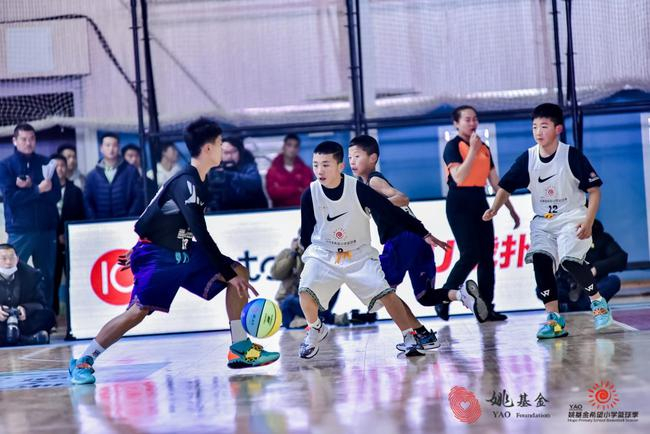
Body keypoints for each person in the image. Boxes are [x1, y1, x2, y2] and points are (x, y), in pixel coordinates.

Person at [68, 118, 279, 385]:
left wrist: (140, 242)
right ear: (208, 148)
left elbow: (155, 214)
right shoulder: (186, 182)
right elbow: (199, 232)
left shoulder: (199, 180)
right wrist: (142, 246)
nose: (223, 147)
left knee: (239, 271)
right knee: (137, 312)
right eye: (219, 143)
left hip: (183, 250)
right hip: (159, 256)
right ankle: (84, 360)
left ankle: (240, 348)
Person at [297, 141, 450, 359]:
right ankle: (315, 329)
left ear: (340, 166)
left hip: (358, 254)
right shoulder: (310, 194)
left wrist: (424, 232)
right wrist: (307, 256)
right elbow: (306, 233)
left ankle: (409, 336)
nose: (319, 170)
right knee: (304, 290)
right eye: (315, 165)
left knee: (387, 294)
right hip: (325, 253)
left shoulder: (358, 189)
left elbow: (392, 212)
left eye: (325, 165)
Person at [483, 103, 613, 339]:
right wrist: (494, 208)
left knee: (570, 261)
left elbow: (594, 191)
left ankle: (598, 302)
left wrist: (588, 221)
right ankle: (554, 320)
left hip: (571, 217)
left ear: (558, 129)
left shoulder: (571, 155)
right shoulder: (528, 158)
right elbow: (506, 186)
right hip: (543, 220)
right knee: (541, 260)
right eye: (534, 127)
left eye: (544, 126)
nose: (538, 132)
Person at [348, 134, 489, 332]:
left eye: (357, 156)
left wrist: (379, 204)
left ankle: (414, 334)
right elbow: (406, 213)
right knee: (425, 297)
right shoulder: (363, 186)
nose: (352, 161)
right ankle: (462, 294)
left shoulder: (373, 181)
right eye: (350, 157)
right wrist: (426, 234)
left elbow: (402, 198)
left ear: (372, 158)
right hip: (418, 240)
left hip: (400, 240)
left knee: (384, 291)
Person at [438, 105, 520, 322]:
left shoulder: (485, 148)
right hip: (459, 201)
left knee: (486, 257)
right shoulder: (453, 146)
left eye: (475, 119)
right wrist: (473, 151)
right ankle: (443, 297)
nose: (472, 123)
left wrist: (510, 209)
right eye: (467, 119)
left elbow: (495, 182)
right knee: (470, 253)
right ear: (456, 123)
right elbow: (459, 177)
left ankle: (487, 308)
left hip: (479, 200)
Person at [0, 124, 60, 310]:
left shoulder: (46, 163)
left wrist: (30, 189)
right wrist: (38, 190)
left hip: (46, 229)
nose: (28, 143)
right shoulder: (6, 166)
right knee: (12, 272)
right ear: (15, 141)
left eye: (32, 138)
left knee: (47, 276)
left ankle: (45, 316)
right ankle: (11, 316)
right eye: (24, 139)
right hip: (20, 230)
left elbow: (55, 195)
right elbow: (11, 199)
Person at [535, 219, 627, 312]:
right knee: (542, 287)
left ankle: (580, 306)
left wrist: (596, 269)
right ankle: (573, 306)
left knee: (613, 280)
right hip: (567, 285)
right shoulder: (560, 237)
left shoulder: (601, 237)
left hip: (593, 286)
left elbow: (620, 258)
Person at [270, 234, 348, 328]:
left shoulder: (320, 253)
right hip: (292, 302)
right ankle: (329, 319)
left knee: (334, 285)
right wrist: (293, 255)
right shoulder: (287, 253)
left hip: (313, 301)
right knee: (287, 302)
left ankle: (313, 320)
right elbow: (276, 274)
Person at [0, 244, 56, 346]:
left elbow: (40, 303)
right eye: (3, 258)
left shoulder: (31, 275)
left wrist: (25, 308)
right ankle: (27, 339)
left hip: (21, 320)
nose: (8, 262)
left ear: (17, 259)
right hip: (1, 321)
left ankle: (10, 339)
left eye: (12, 258)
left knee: (48, 316)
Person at [52, 155, 85, 314]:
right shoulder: (44, 191)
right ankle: (52, 315)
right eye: (55, 166)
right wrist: (57, 235)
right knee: (52, 280)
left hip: (72, 241)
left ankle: (76, 313)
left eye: (62, 165)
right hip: (50, 244)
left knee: (75, 279)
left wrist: (68, 233)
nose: (59, 169)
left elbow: (81, 216)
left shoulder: (76, 191)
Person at [84, 133, 144, 219]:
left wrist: (130, 218)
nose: (111, 149)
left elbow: (138, 197)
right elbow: (87, 202)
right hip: (100, 223)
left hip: (126, 221)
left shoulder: (131, 172)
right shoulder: (92, 176)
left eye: (114, 145)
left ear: (119, 147)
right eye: (107, 145)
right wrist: (94, 220)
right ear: (101, 148)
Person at [207, 137, 268, 211]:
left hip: (251, 210)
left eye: (233, 152)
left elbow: (254, 182)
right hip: (224, 212)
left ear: (240, 152)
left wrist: (228, 175)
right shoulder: (213, 169)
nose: (230, 156)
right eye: (225, 152)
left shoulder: (248, 166)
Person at [266, 134, 313, 208]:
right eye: (289, 145)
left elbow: (307, 195)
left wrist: (281, 189)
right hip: (278, 212)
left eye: (295, 146)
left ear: (298, 149)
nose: (292, 149)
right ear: (283, 147)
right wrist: (296, 189)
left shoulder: (306, 171)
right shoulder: (272, 171)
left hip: (301, 210)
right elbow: (273, 194)